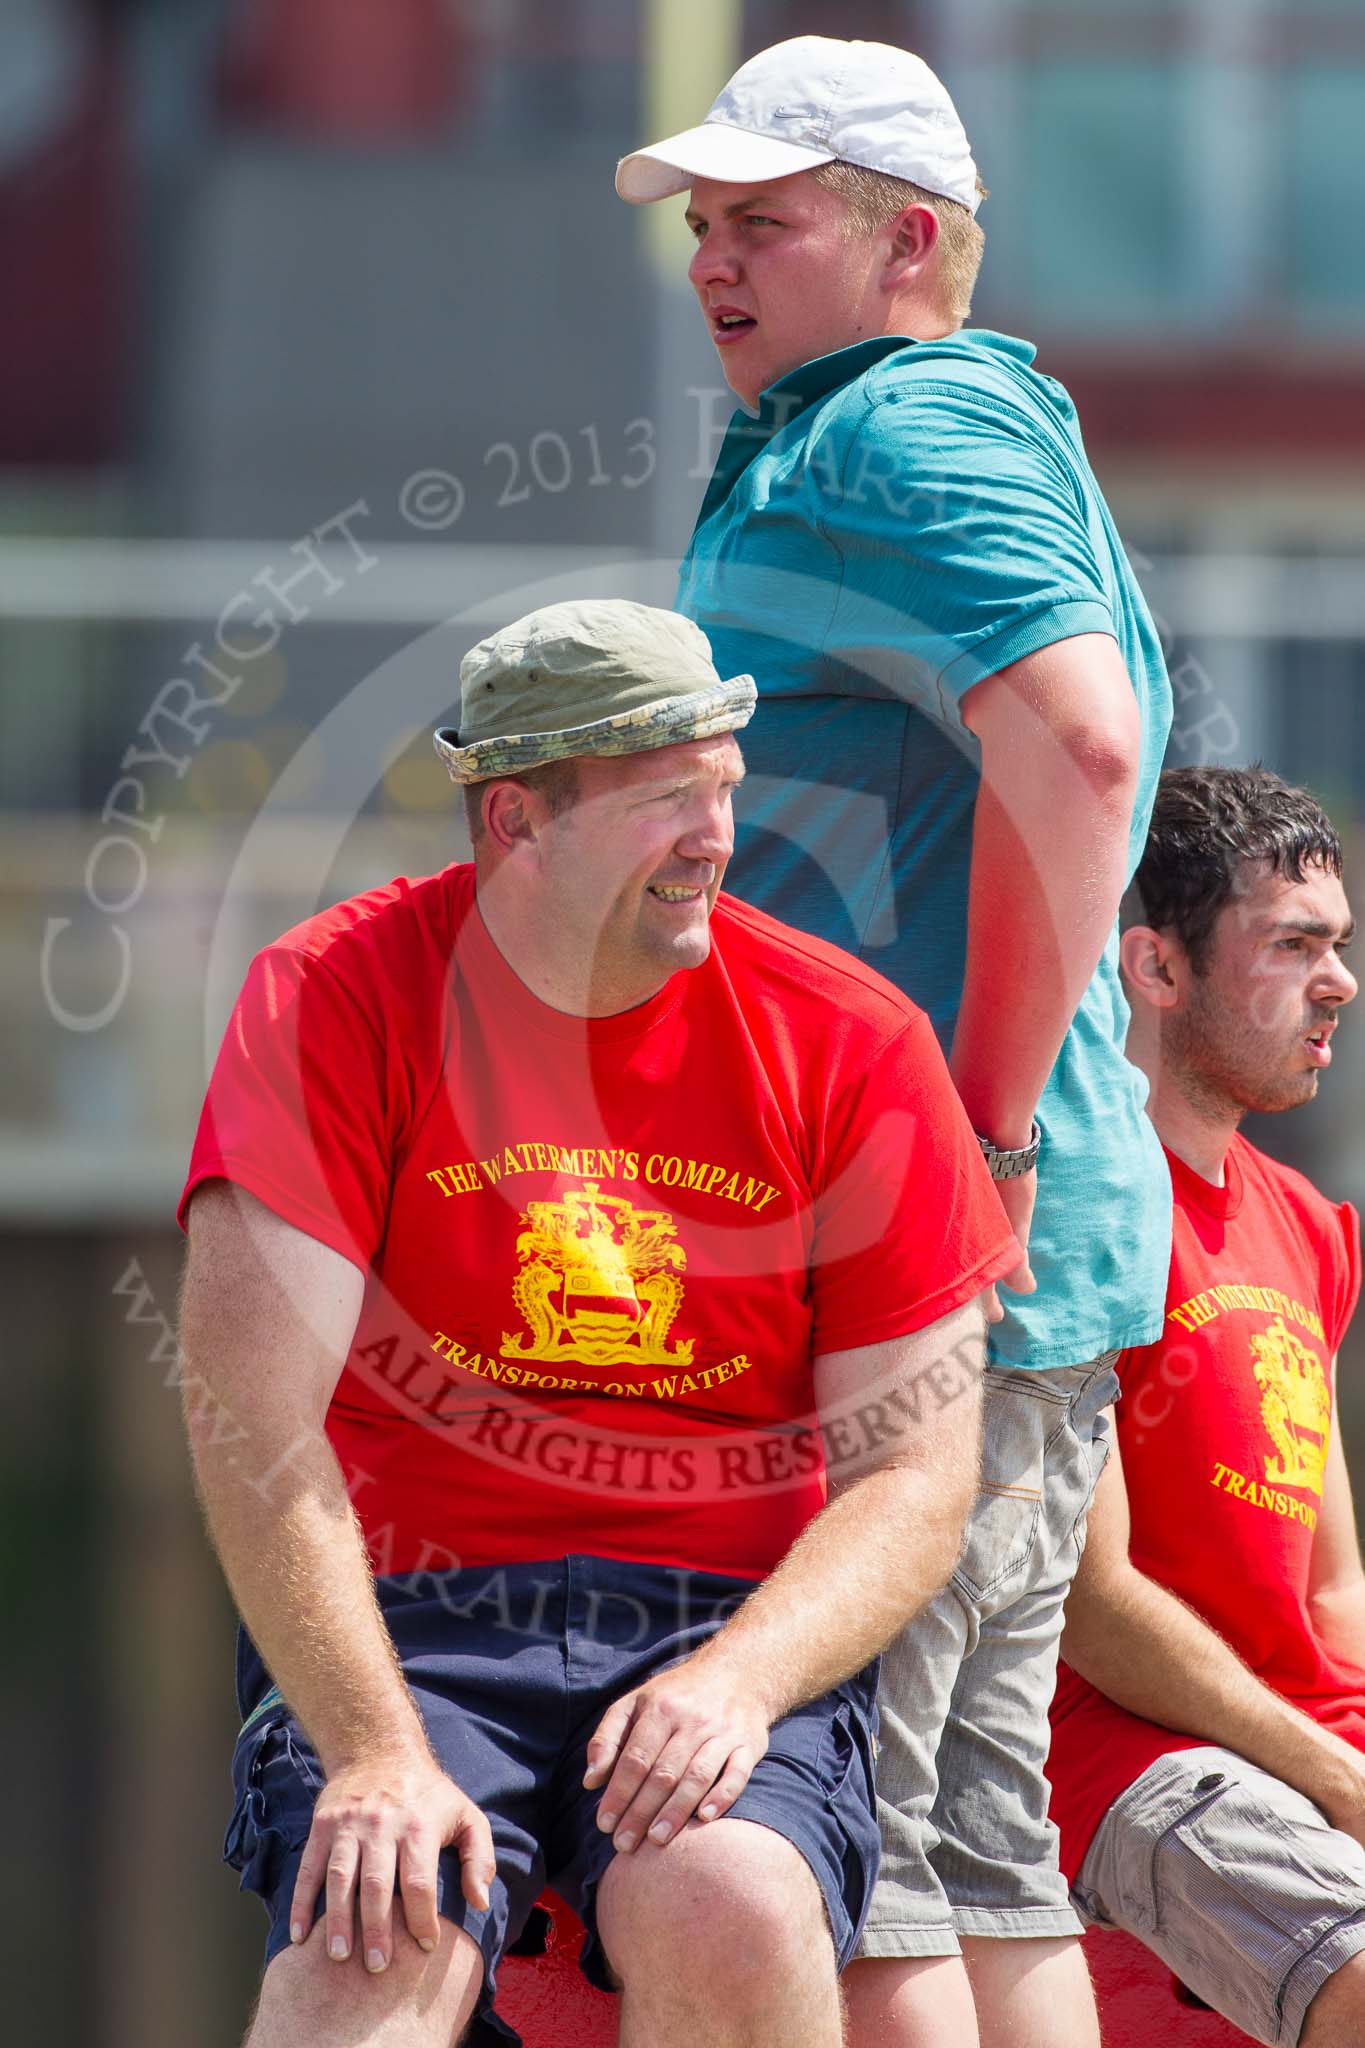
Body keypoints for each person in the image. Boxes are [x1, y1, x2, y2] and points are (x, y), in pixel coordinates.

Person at [178, 598, 1020, 2048]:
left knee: (735, 1905)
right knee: (378, 1933)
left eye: (724, 787)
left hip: (717, 1620)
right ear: (515, 819)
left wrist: (742, 1680)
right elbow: (256, 1421)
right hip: (411, 1622)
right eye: (663, 798)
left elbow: (917, 1477)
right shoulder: (334, 994)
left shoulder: (853, 1038)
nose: (716, 834)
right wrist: (376, 1749)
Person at [615, 32, 1173, 2048]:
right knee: (961, 1830)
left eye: (761, 220)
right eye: (704, 224)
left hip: (927, 1241)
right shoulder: (906, 417)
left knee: (877, 1849)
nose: (710, 259)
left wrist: (981, 1140)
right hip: (952, 1241)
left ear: (908, 239)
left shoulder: (899, 424)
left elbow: (1080, 742)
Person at [1048, 764, 1365, 2048]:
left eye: (1338, 944)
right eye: (1294, 946)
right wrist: (1332, 1772)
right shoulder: (1069, 1204)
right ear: (1156, 966)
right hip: (1129, 1757)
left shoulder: (1309, 1225)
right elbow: (1088, 1600)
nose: (1338, 982)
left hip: (1307, 1747)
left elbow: (1332, 1583)